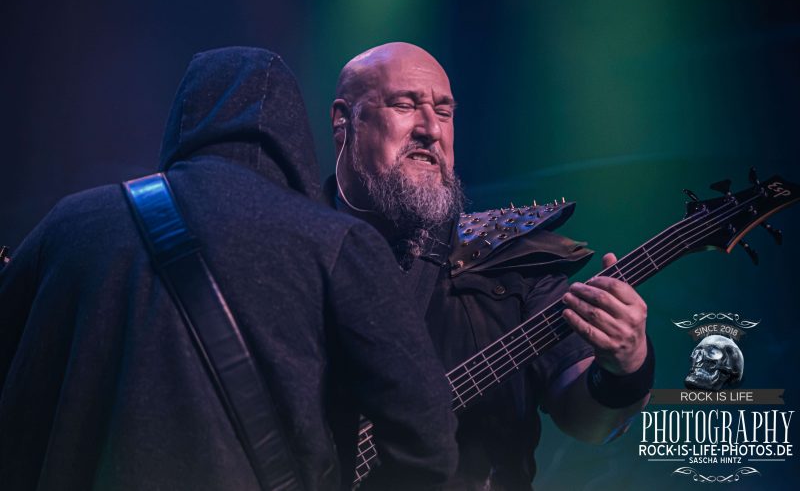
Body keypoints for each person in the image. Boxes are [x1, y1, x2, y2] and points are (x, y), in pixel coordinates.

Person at [0, 47, 457, 491]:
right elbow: (428, 441)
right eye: (404, 104)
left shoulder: (70, 223)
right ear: (293, 132)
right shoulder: (338, 243)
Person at [327, 42, 654, 490]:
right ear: (343, 121)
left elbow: (587, 424)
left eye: (444, 112)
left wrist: (626, 367)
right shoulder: (288, 249)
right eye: (405, 105)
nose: (431, 129)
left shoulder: (508, 258)